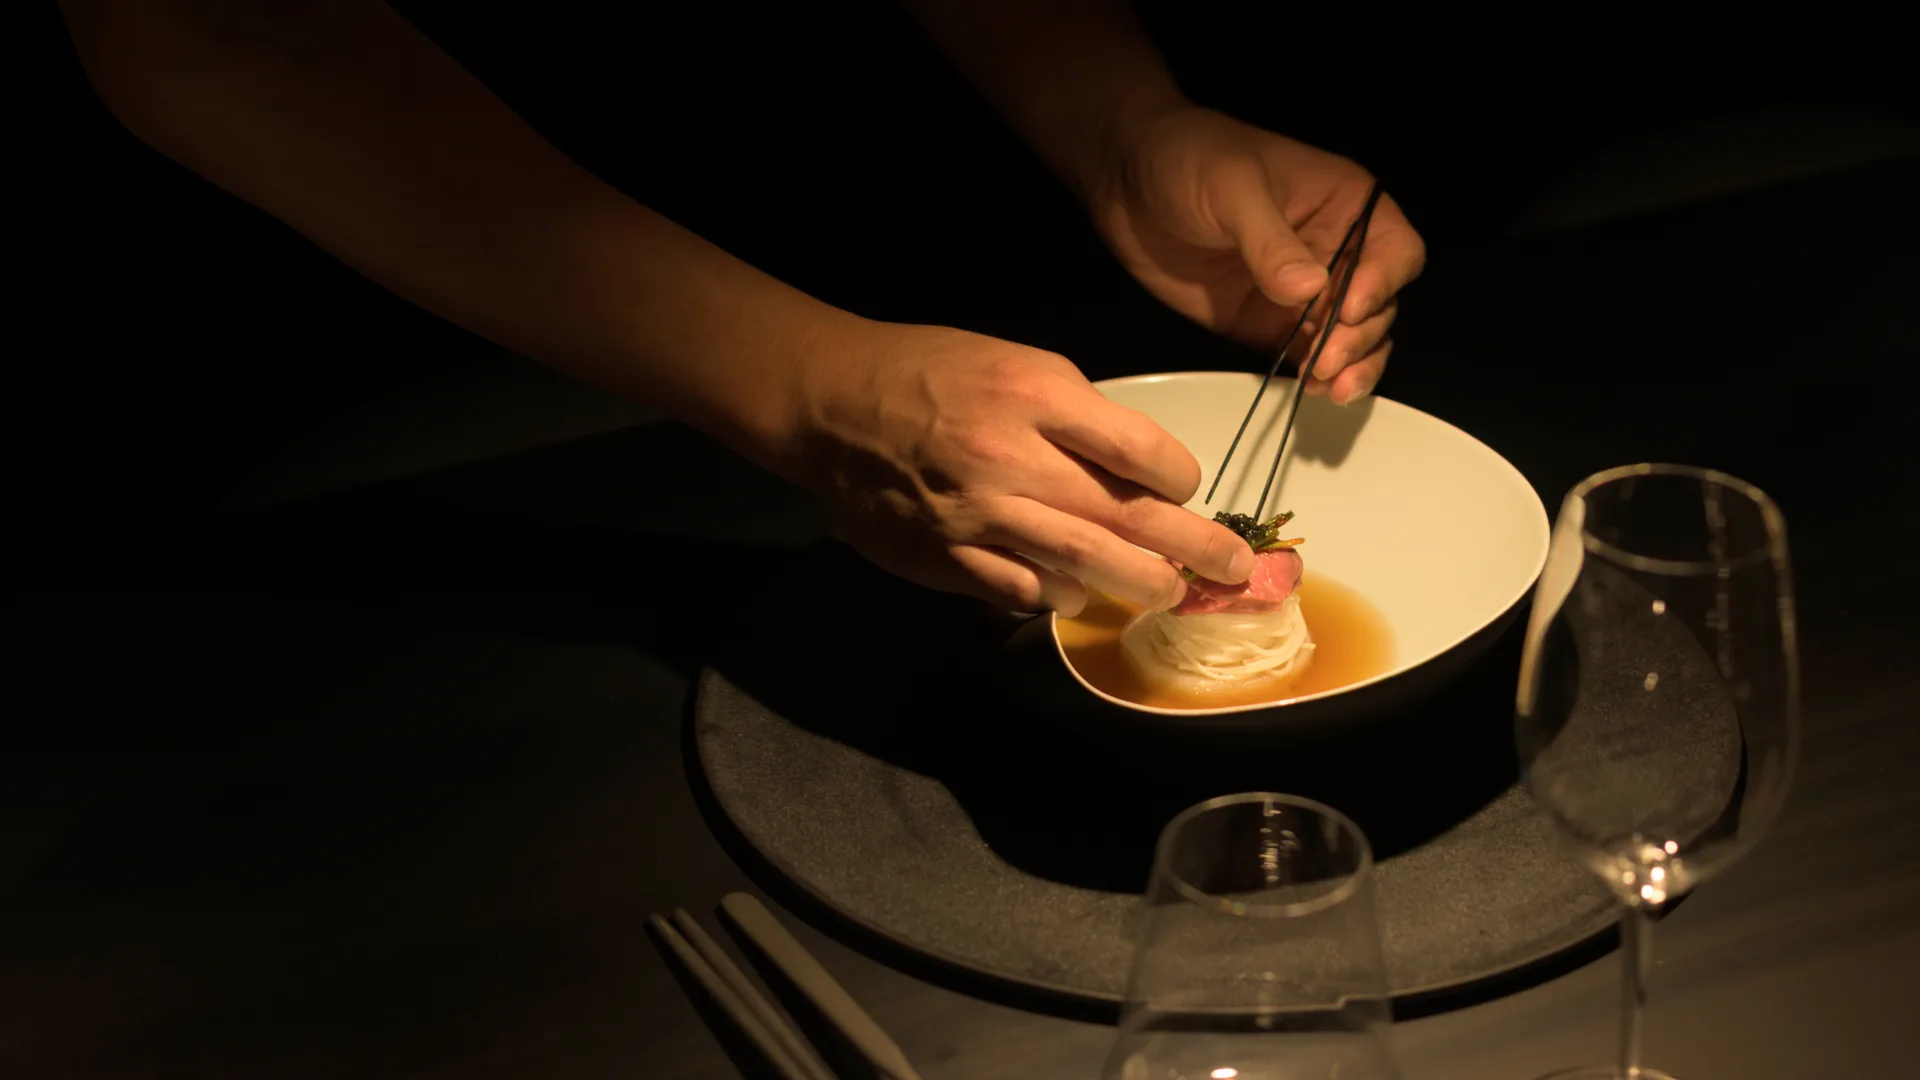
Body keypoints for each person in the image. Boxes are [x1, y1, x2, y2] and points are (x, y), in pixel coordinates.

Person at [61, 0, 1424, 617]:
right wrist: (815, 389)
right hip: (407, 299)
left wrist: (1120, 123)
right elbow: (213, 26)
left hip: (910, 230)